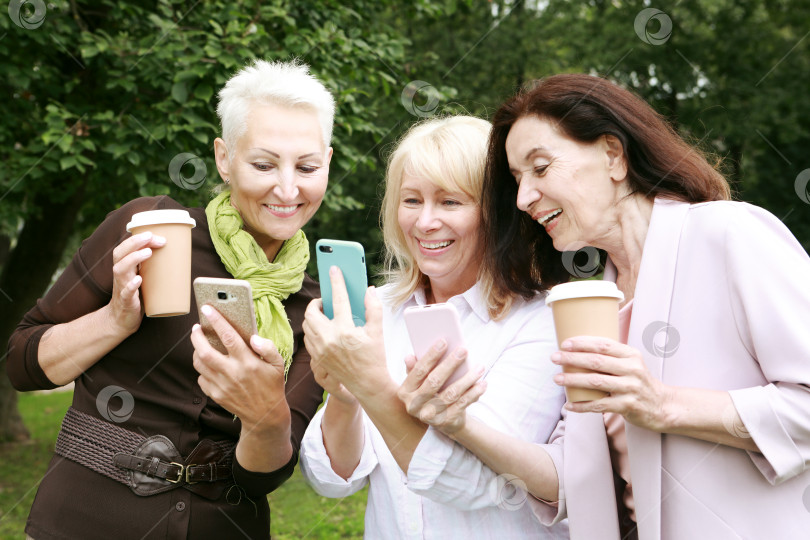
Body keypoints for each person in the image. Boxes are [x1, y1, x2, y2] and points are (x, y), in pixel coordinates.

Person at [403, 73, 810, 540]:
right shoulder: (595, 299)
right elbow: (568, 474)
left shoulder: (729, 234)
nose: (522, 198)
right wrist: (460, 425)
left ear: (613, 155)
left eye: (540, 168)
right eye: (516, 180)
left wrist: (664, 405)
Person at [6, 59, 333, 539]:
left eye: (307, 167)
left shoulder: (314, 309)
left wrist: (265, 413)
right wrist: (114, 321)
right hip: (82, 520)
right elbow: (21, 364)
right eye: (263, 164)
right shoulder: (152, 229)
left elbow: (262, 476)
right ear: (224, 158)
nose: (288, 189)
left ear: (327, 161)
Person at [298, 115, 569, 538]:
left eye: (450, 202)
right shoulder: (379, 309)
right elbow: (331, 478)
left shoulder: (543, 320)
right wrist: (344, 397)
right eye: (411, 201)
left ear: (495, 214)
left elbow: (479, 484)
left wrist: (369, 383)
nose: (425, 222)